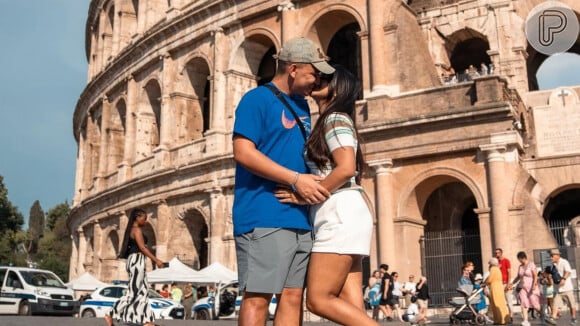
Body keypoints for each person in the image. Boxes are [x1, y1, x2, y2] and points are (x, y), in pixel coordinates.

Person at [232, 36, 333, 326]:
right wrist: (296, 179)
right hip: (263, 213)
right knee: (258, 296)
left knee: (292, 297)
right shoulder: (256, 99)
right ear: (293, 68)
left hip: (298, 216)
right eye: (313, 72)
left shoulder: (302, 106)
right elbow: (243, 152)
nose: (317, 79)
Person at [275, 64, 378, 326]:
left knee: (318, 300)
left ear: (339, 86)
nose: (318, 79)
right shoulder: (334, 119)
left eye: (327, 78)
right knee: (351, 303)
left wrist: (305, 195)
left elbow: (346, 168)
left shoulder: (335, 118)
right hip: (345, 211)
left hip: (338, 213)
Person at [105, 208, 164, 326]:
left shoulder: (133, 229)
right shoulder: (136, 230)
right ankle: (110, 313)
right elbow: (142, 248)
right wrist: (156, 260)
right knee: (133, 291)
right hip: (137, 261)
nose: (145, 221)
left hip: (136, 261)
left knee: (143, 291)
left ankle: (147, 320)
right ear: (137, 217)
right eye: (144, 218)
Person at [508, 251, 542, 326]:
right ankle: (525, 321)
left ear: (522, 258)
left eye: (519, 259)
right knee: (523, 303)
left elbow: (535, 275)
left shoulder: (531, 264)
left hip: (531, 287)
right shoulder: (520, 266)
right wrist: (512, 283)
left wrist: (535, 284)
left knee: (535, 304)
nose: (519, 261)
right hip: (522, 287)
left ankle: (543, 315)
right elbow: (518, 277)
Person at [545, 248, 576, 325]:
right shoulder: (553, 265)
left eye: (552, 256)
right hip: (558, 289)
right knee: (555, 303)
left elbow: (568, 271)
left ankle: (573, 319)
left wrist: (564, 279)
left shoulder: (564, 262)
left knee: (572, 304)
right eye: (550, 256)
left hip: (567, 288)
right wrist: (545, 280)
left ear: (557, 255)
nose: (551, 257)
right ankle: (553, 318)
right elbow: (551, 275)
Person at [485, 257, 510, 325]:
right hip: (499, 286)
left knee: (496, 304)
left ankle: (499, 320)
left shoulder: (493, 269)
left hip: (495, 287)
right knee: (501, 303)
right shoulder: (498, 269)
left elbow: (490, 279)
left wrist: (485, 282)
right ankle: (505, 319)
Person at [495, 248, 513, 317]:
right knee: (501, 301)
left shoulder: (506, 261)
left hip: (506, 283)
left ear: (501, 253)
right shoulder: (496, 262)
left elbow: (509, 273)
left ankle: (511, 316)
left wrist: (508, 284)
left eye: (498, 253)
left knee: (509, 301)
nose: (496, 254)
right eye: (495, 253)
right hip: (499, 284)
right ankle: (504, 315)